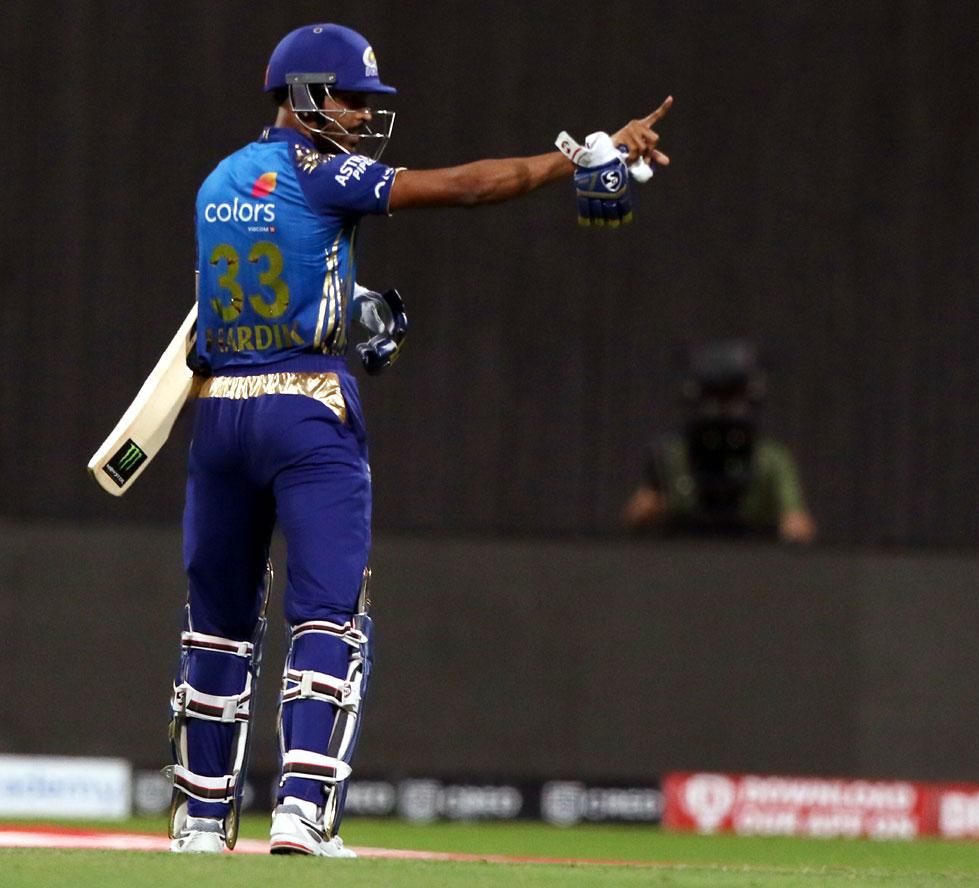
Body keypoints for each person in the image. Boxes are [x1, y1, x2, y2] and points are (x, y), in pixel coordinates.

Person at [167, 22, 674, 856]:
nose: (363, 116)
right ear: (302, 95)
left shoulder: (218, 182)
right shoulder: (322, 173)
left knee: (218, 626)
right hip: (305, 406)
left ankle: (198, 822)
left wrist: (350, 302)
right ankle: (300, 811)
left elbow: (228, 311)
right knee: (329, 615)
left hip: (222, 410)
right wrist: (583, 154)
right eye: (351, 98)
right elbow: (470, 187)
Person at [622, 340, 816, 543]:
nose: (723, 407)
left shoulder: (771, 458)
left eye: (732, 395)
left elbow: (796, 521)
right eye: (715, 395)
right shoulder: (671, 455)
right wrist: (647, 511)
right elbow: (638, 514)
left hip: (752, 558)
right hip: (684, 555)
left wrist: (794, 529)